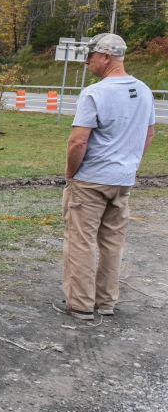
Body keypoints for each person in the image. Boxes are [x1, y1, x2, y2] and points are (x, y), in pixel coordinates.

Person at [54, 33, 156, 321]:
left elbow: (78, 142)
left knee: (80, 240)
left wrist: (70, 174)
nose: (87, 62)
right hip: (123, 179)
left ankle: (80, 304)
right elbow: (148, 134)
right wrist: (130, 164)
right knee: (112, 242)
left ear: (105, 56)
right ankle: (106, 301)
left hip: (91, 180)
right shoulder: (145, 91)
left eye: (90, 56)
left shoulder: (95, 93)